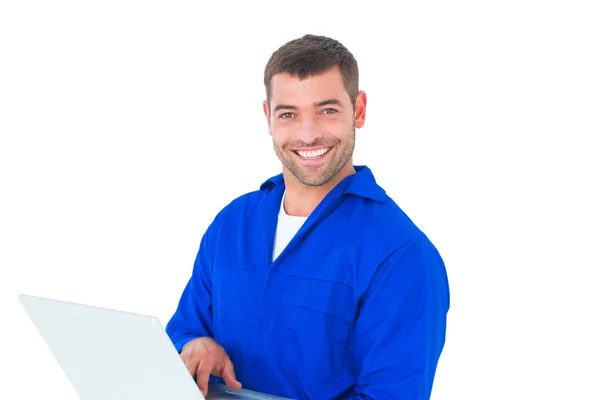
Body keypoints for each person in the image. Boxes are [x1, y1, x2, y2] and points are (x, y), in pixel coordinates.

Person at [165, 33, 450, 400]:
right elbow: (184, 330)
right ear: (268, 117)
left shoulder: (400, 254)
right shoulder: (231, 225)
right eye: (288, 114)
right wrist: (196, 344)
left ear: (358, 110)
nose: (308, 134)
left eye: (327, 110)